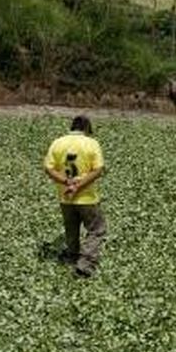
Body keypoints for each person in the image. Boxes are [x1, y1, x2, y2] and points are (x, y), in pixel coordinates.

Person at [44, 116, 106, 277]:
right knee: (96, 229)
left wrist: (66, 182)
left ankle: (72, 256)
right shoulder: (91, 143)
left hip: (65, 196)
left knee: (71, 229)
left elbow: (48, 168)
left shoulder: (58, 143)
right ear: (86, 128)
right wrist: (78, 186)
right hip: (87, 197)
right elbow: (98, 170)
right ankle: (85, 264)